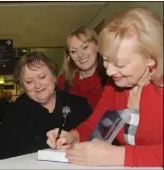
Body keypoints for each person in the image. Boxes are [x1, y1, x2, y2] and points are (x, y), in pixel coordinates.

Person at [46, 7, 163, 167]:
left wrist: (116, 155)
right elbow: (98, 123)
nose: (109, 71)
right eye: (106, 60)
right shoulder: (114, 85)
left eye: (120, 64)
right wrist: (73, 136)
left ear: (151, 59)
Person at [0, 52, 92, 159]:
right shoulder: (13, 115)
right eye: (29, 82)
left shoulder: (79, 106)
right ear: (22, 86)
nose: (38, 85)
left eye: (42, 77)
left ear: (55, 76)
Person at [58, 26, 108, 110]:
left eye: (85, 47)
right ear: (69, 56)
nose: (80, 55)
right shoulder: (63, 82)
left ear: (97, 46)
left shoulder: (112, 79)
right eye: (73, 51)